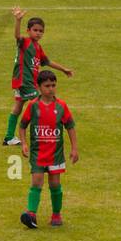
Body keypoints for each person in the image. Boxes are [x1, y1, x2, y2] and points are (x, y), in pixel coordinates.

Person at [4, 8, 74, 147]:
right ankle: (43, 135)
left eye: (41, 31)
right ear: (28, 31)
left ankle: (9, 137)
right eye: (35, 30)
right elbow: (17, 36)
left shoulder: (37, 47)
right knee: (41, 103)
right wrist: (18, 20)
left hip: (27, 82)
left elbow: (47, 62)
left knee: (18, 107)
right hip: (25, 81)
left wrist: (63, 69)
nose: (38, 33)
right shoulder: (25, 42)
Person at [19, 70, 79, 229]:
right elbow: (23, 125)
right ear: (39, 87)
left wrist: (74, 148)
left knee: (54, 184)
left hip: (55, 155)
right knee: (36, 182)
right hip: (38, 154)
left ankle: (56, 214)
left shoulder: (61, 106)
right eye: (47, 86)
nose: (51, 89)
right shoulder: (32, 106)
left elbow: (70, 127)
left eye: (53, 85)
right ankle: (31, 214)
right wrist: (24, 144)